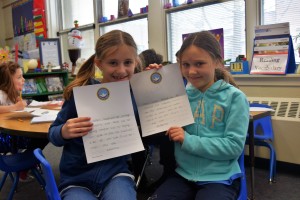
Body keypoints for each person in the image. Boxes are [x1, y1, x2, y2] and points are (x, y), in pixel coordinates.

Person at [49, 30, 159, 200]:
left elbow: (154, 130)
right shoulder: (81, 93)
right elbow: (53, 134)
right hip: (76, 180)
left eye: (128, 62)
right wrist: (63, 131)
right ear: (99, 63)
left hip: (116, 175)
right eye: (113, 63)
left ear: (135, 62)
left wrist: (155, 82)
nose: (121, 70)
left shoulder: (135, 93)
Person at [150, 31, 250, 200]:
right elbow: (154, 118)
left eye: (199, 64)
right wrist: (153, 80)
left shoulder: (235, 98)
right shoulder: (179, 95)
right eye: (185, 64)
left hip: (220, 177)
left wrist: (187, 140)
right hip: (183, 174)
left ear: (217, 62)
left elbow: (233, 146)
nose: (191, 71)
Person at [132, 49, 176, 191]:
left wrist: (153, 79)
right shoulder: (133, 80)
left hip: (158, 124)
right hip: (141, 126)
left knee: (167, 134)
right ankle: (140, 175)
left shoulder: (165, 76)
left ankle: (167, 173)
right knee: (136, 139)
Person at [0, 61, 49, 181]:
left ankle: (27, 164)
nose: (23, 79)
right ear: (8, 80)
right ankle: (26, 166)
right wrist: (15, 107)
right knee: (44, 136)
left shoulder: (13, 94)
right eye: (19, 77)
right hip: (6, 139)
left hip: (14, 134)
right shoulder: (1, 94)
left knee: (46, 134)